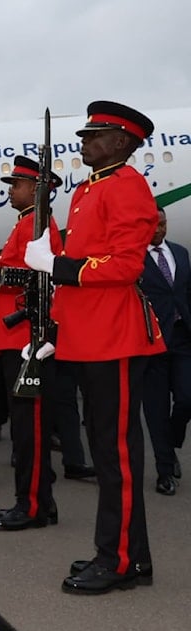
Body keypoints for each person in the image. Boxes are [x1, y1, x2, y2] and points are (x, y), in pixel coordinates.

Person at [24, 101, 162, 594]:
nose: (83, 143)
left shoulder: (125, 186)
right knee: (107, 450)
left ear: (122, 142)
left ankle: (119, 559)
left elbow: (125, 266)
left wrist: (58, 267)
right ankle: (130, 555)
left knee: (115, 455)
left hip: (113, 336)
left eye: (94, 135)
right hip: (88, 337)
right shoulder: (87, 190)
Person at [0, 156, 65, 525]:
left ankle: (35, 506)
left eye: (17, 185)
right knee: (24, 428)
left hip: (26, 336)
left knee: (30, 428)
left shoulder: (38, 226)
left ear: (38, 190)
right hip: (14, 337)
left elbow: (28, 278)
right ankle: (33, 500)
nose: (10, 190)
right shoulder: (25, 224)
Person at [140, 206, 191, 495]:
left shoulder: (181, 253)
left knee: (186, 399)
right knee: (156, 411)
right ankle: (164, 472)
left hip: (183, 340)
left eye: (163, 224)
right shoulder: (134, 258)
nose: (159, 229)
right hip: (152, 344)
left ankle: (172, 441)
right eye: (154, 225)